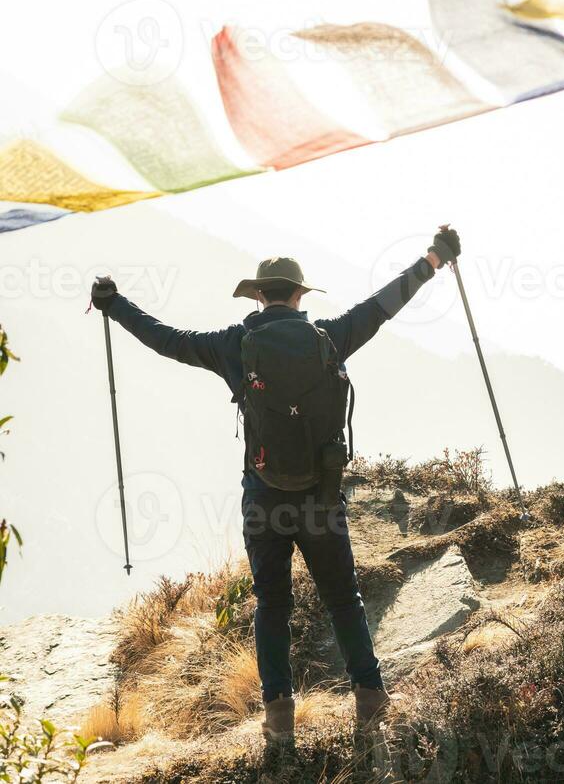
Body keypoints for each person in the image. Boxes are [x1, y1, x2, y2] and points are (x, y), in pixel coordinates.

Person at [91, 226, 461, 742]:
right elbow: (384, 304)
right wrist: (434, 259)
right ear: (300, 294)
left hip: (264, 498)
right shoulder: (333, 336)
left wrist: (114, 303)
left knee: (272, 603)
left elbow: (166, 339)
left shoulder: (235, 345)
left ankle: (280, 722)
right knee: (344, 600)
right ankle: (371, 704)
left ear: (259, 295)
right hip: (321, 497)